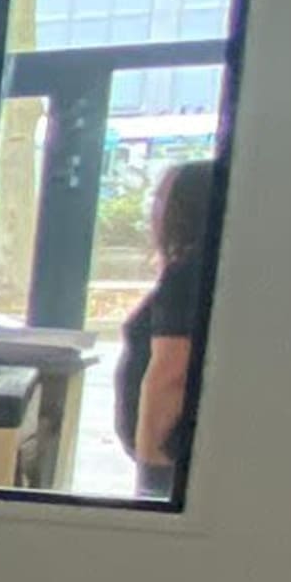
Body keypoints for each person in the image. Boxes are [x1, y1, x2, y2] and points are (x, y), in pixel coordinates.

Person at [112, 157, 216, 498]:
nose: (152, 211)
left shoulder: (186, 276)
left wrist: (150, 480)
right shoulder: (203, 271)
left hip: (166, 465)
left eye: (160, 199)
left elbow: (169, 375)